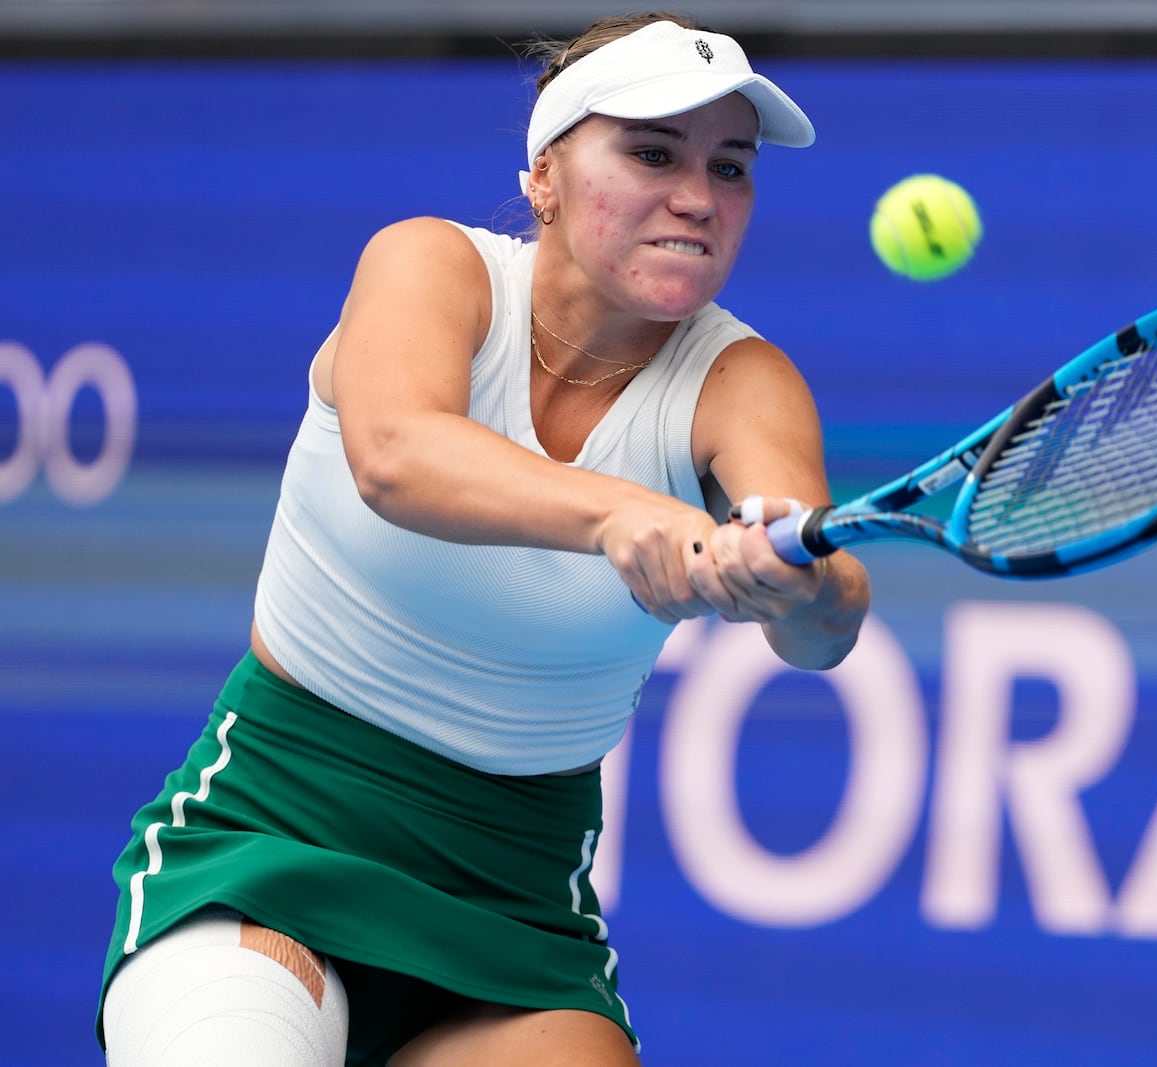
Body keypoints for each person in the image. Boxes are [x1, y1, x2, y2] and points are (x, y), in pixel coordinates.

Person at [97, 12, 869, 1065]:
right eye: (651, 153)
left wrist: (798, 589)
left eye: (730, 168)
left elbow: (819, 617)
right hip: (276, 829)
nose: (697, 195)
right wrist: (621, 513)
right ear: (545, 177)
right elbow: (397, 455)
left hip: (513, 902)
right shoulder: (432, 265)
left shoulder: (746, 381)